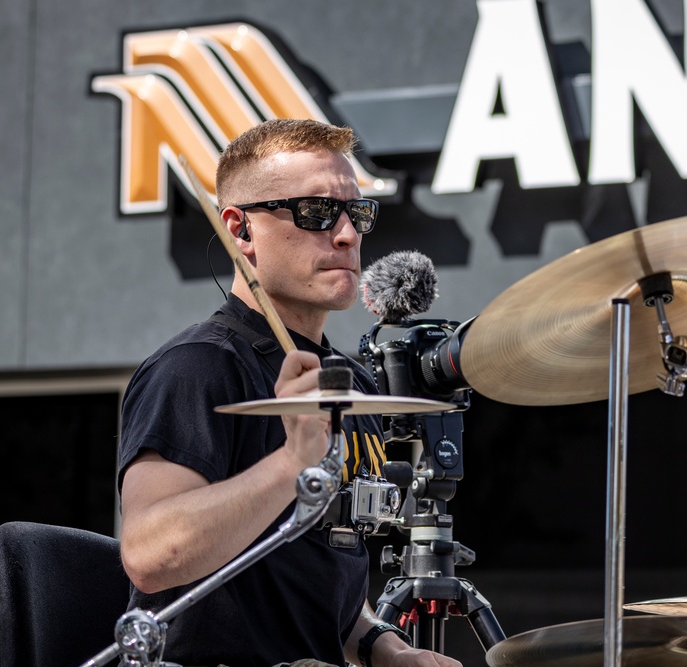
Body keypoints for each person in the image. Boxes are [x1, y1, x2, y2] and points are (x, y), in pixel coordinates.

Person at [117, 118, 463, 667]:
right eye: (316, 213)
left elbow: (326, 581)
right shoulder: (200, 367)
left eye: (358, 213)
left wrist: (387, 649)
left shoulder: (350, 383)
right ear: (241, 229)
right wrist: (291, 465)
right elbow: (150, 554)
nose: (347, 235)